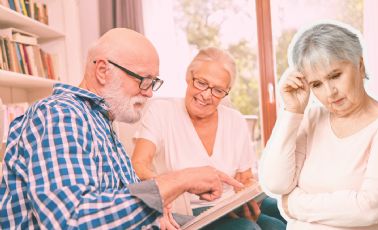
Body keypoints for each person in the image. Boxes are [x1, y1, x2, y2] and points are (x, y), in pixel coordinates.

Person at [0, 28, 244, 229]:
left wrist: (155, 212)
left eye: (153, 82)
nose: (149, 92)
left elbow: (107, 201)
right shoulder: (59, 114)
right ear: (103, 71)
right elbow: (70, 221)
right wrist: (180, 180)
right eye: (143, 80)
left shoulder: (100, 121)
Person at [259, 22, 378, 229]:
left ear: (360, 65)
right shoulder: (312, 117)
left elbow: (369, 208)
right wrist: (292, 111)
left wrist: (293, 204)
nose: (330, 92)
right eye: (316, 84)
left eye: (335, 76)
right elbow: (276, 183)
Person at [132, 47, 286, 229]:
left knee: (281, 216)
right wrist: (171, 186)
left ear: (226, 92)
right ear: (189, 77)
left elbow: (246, 177)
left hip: (230, 205)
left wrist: (247, 195)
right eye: (201, 83)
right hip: (190, 213)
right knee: (247, 228)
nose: (206, 95)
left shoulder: (234, 119)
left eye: (218, 90)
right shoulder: (161, 112)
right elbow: (138, 166)